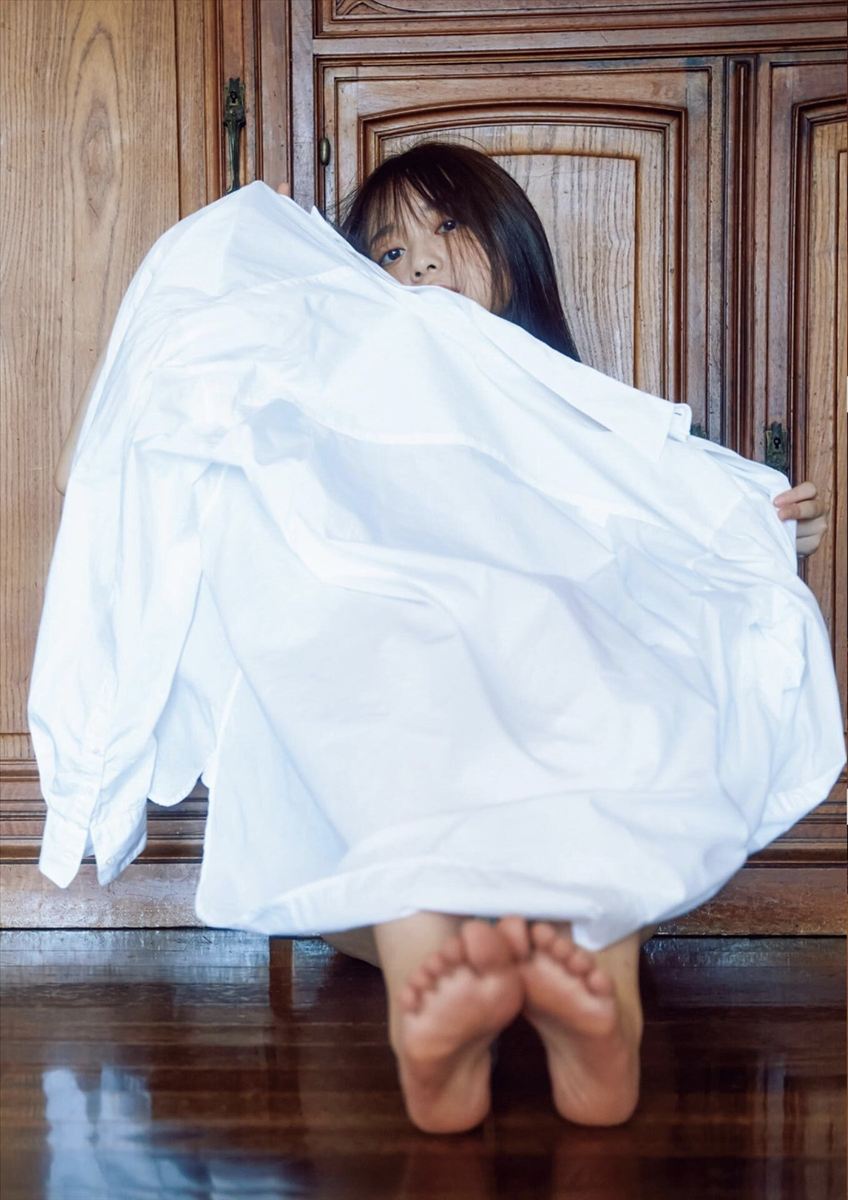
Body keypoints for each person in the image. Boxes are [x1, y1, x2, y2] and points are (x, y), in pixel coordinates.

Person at [52, 141, 831, 1135]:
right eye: (385, 252)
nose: (418, 262)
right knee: (401, 779)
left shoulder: (588, 433)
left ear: (512, 251)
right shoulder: (316, 416)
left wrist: (757, 537)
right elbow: (119, 473)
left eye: (448, 229)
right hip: (387, 824)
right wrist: (232, 286)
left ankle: (571, 1008)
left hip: (573, 816)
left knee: (594, 743)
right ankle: (479, 998)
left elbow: (681, 572)